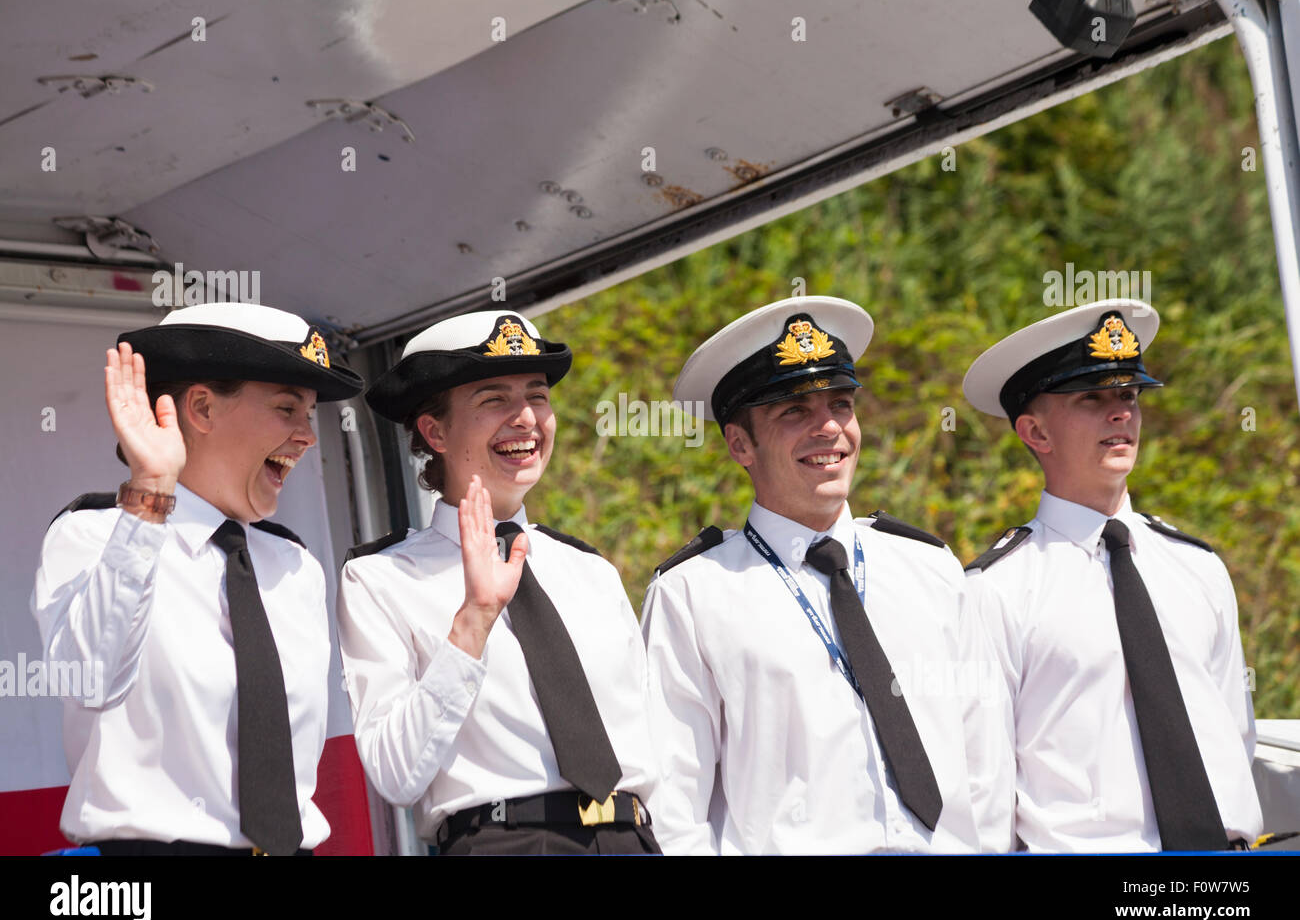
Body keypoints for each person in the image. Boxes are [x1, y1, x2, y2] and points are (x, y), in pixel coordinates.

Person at [641, 295, 1012, 854]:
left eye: (841, 404)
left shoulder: (930, 568)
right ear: (740, 443)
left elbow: (986, 759)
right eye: (794, 412)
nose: (829, 429)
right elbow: (673, 803)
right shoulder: (693, 593)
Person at [32, 301, 364, 855]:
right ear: (203, 409)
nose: (307, 436)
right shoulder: (96, 534)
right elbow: (84, 679)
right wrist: (150, 496)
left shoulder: (295, 567)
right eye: (287, 409)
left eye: (309, 415)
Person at [337, 311, 660, 854]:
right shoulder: (382, 578)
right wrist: (474, 621)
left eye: (538, 396)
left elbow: (657, 756)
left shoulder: (589, 570)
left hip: (633, 836)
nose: (527, 419)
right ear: (434, 431)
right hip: (505, 841)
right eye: (494, 400)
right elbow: (396, 774)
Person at [961, 297, 1263, 852]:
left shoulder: (1198, 568)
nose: (1121, 412)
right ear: (1035, 433)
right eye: (1092, 399)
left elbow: (1233, 739)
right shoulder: (997, 591)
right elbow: (986, 785)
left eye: (1128, 395)